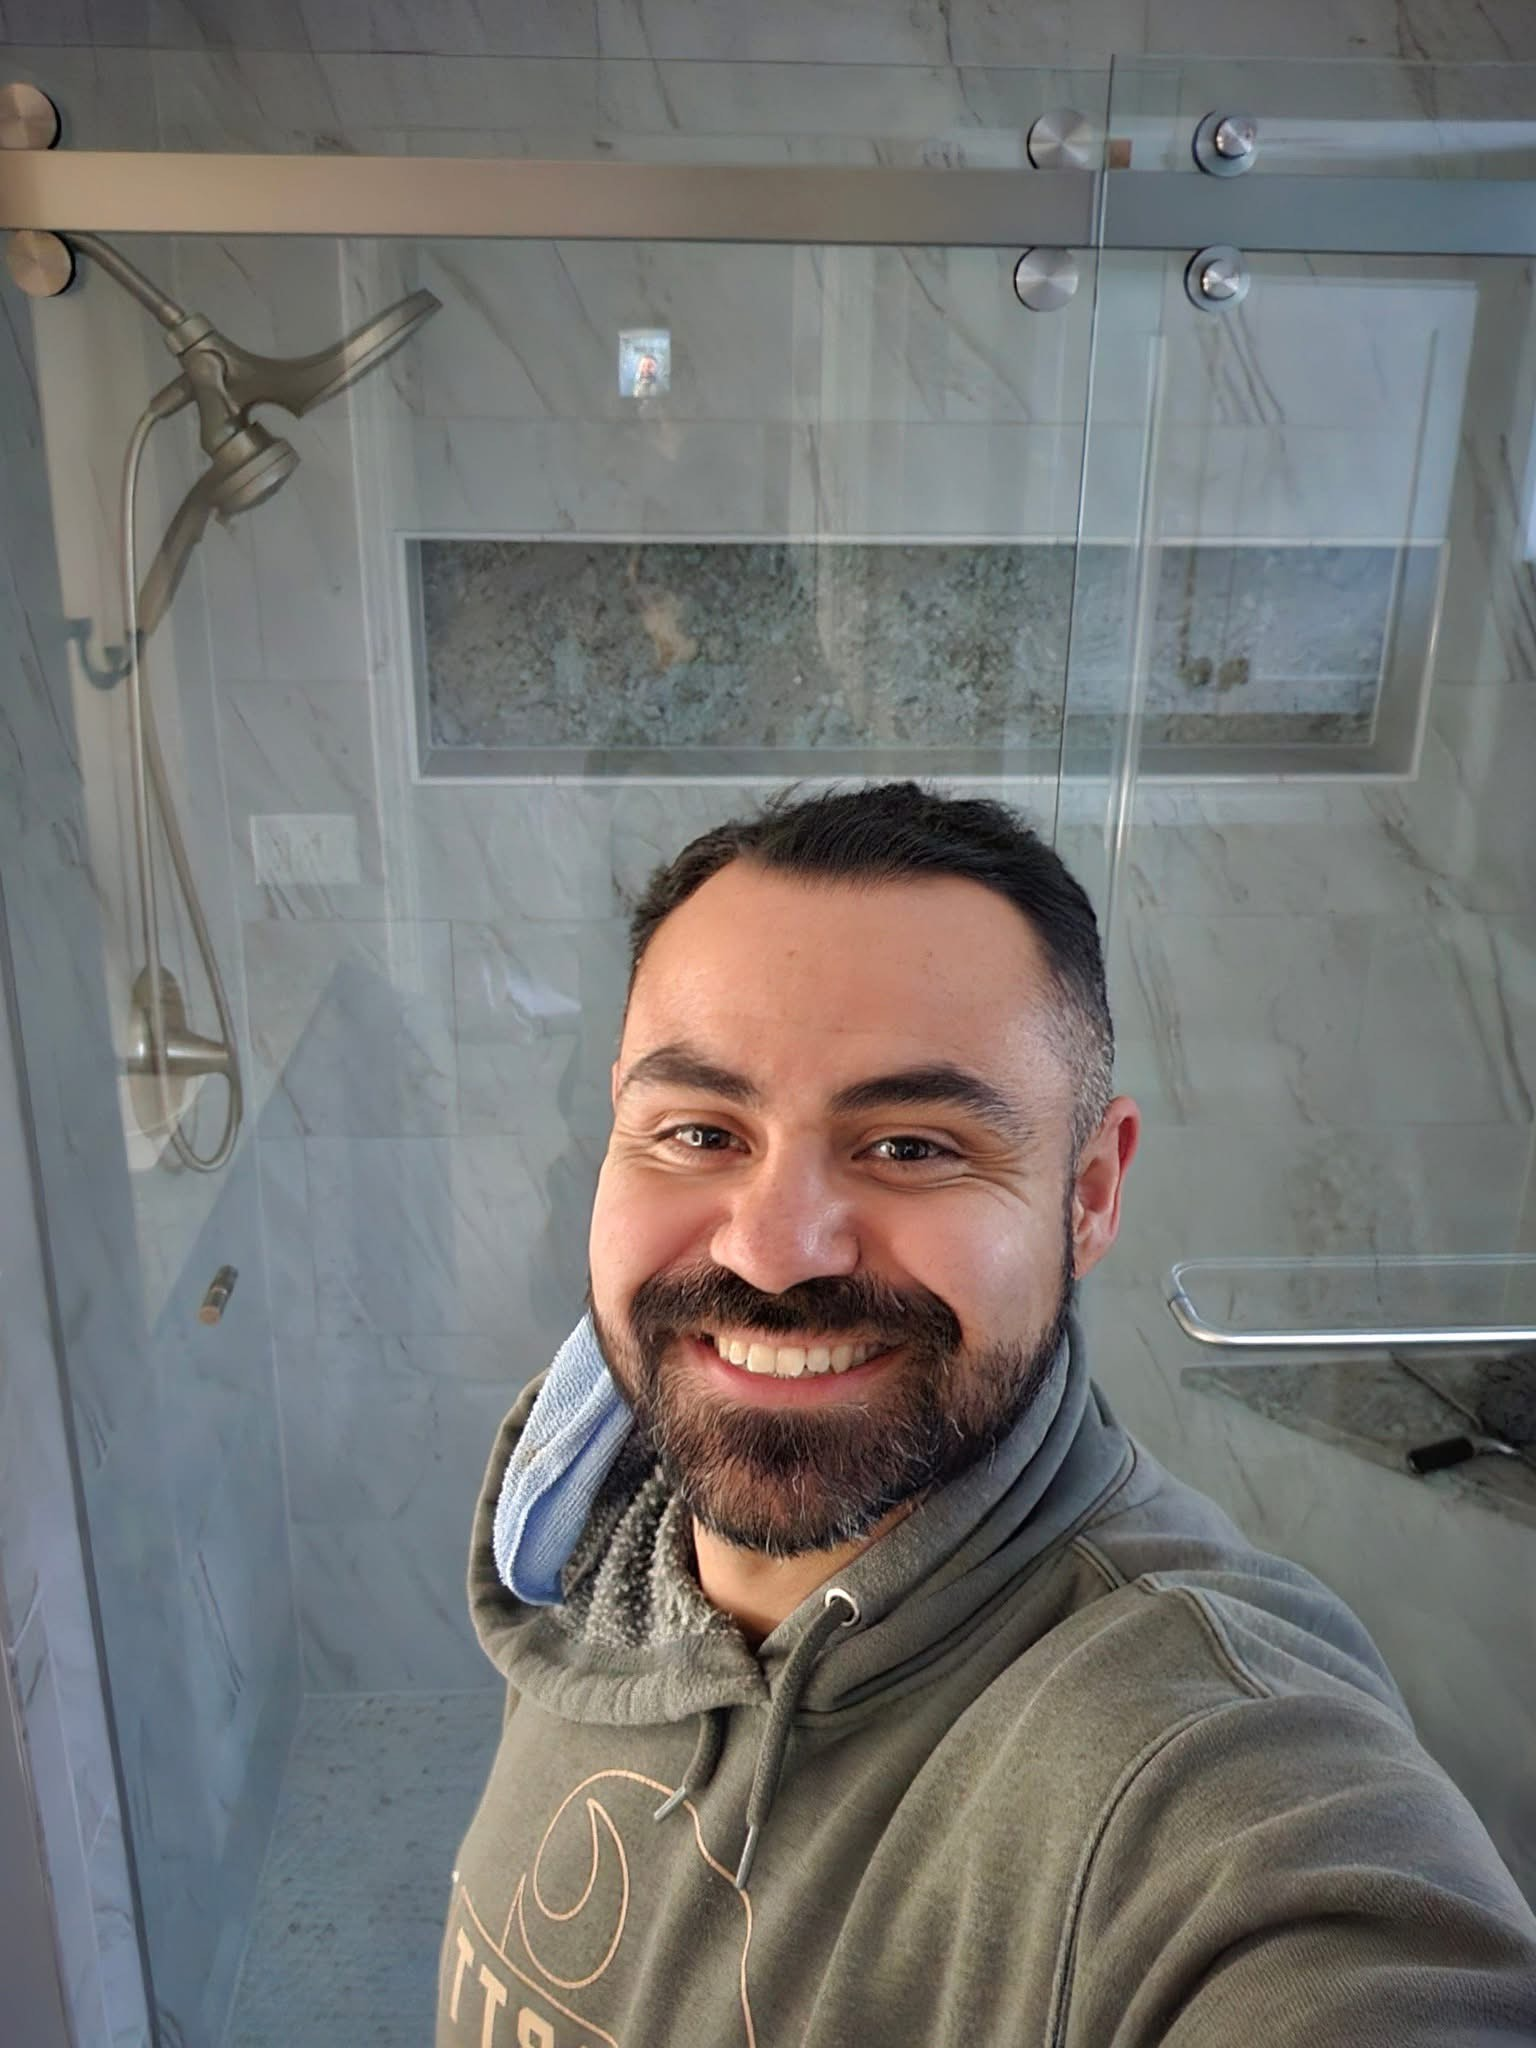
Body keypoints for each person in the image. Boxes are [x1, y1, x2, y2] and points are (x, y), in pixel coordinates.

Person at [439, 780, 1536, 2046]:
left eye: (911, 1145)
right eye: (698, 1129)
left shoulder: (1195, 1764)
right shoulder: (580, 1521)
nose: (775, 1248)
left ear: (1090, 1193)